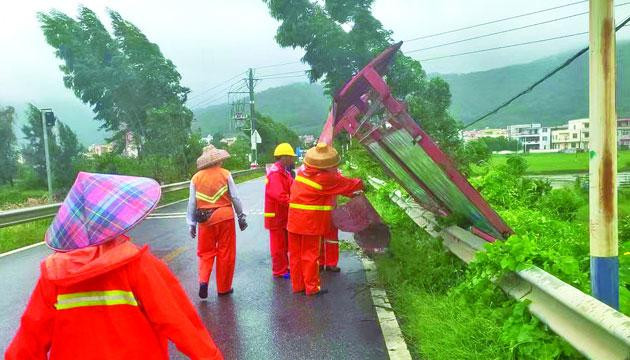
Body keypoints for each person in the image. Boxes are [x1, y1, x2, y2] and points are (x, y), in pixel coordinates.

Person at [5, 172, 223, 360]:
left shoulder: (53, 277)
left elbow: (27, 344)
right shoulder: (139, 265)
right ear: (116, 220)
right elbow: (182, 325)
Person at [287, 143, 363, 296]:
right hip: (310, 223)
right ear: (326, 166)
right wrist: (363, 185)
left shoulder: (303, 173)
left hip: (294, 221)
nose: (335, 168)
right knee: (310, 255)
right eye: (333, 166)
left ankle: (298, 286)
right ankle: (312, 288)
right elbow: (348, 184)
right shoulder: (324, 178)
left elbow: (330, 189)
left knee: (296, 255)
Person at [187, 145, 247, 299]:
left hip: (204, 220)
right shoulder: (225, 174)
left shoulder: (196, 178)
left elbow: (192, 203)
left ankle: (203, 282)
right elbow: (235, 197)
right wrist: (241, 216)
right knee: (225, 253)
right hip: (224, 217)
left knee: (205, 253)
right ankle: (223, 288)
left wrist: (191, 223)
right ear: (218, 160)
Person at [264, 143, 296, 278]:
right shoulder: (276, 174)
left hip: (281, 215)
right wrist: (295, 205)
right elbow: (279, 195)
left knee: (284, 244)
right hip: (276, 216)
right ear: (284, 157)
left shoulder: (283, 172)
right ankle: (279, 271)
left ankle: (284, 268)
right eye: (290, 157)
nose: (292, 160)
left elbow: (293, 187)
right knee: (278, 246)